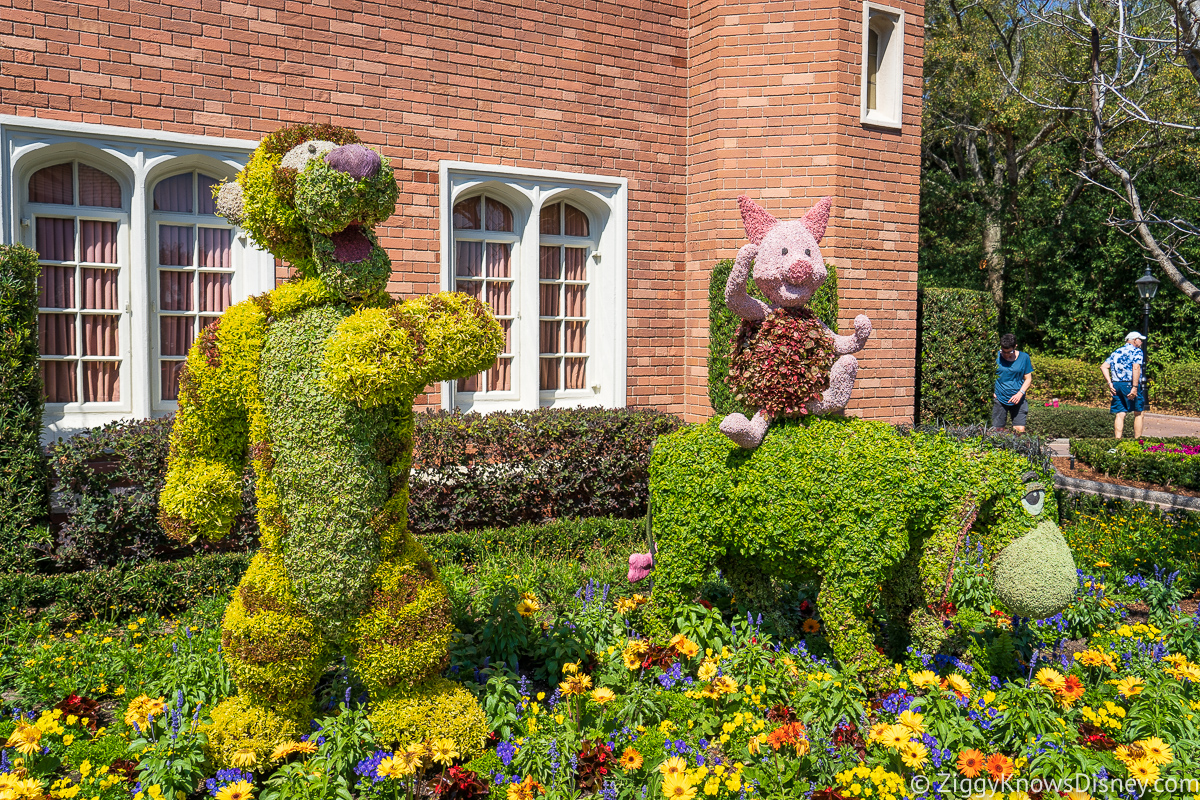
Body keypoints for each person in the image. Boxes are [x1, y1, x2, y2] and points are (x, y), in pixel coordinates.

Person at [1101, 331, 1147, 438]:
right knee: (1139, 413)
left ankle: (1118, 441)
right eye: (1140, 339)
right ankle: (1138, 441)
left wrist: (1109, 383)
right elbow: (1136, 367)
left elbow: (1104, 366)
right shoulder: (1137, 352)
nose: (1141, 342)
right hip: (1130, 384)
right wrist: (1135, 387)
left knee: (1120, 413)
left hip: (1117, 385)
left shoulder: (1117, 352)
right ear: (1134, 340)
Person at [992, 333, 1034, 433]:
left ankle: (1018, 448)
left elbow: (1028, 379)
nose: (1006, 355)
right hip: (999, 399)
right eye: (1003, 351)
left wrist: (1020, 393)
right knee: (998, 430)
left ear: (1015, 346)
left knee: (1019, 430)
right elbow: (987, 375)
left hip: (1018, 399)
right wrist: (991, 391)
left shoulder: (1024, 357)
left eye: (1009, 352)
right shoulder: (995, 356)